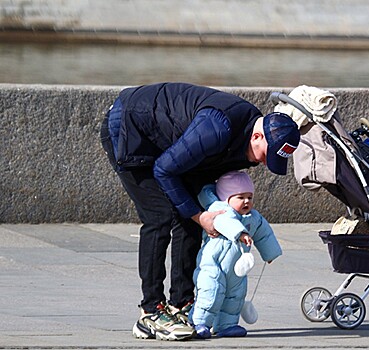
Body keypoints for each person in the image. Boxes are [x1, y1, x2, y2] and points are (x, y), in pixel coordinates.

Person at [99, 82, 300, 341]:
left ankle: (180, 304)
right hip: (130, 126)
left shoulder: (247, 135)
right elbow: (164, 169)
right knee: (159, 216)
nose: (263, 163)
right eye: (266, 155)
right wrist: (199, 216)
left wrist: (204, 214)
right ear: (257, 136)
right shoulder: (218, 128)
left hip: (166, 140)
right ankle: (150, 313)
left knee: (192, 211)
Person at [190, 170, 282, 339]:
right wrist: (240, 233)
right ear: (227, 198)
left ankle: (227, 324)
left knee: (235, 296)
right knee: (211, 292)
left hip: (236, 270)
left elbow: (264, 233)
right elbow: (223, 222)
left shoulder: (253, 217)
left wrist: (269, 253)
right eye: (240, 197)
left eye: (250, 197)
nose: (246, 201)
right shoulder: (219, 210)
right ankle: (199, 322)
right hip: (213, 265)